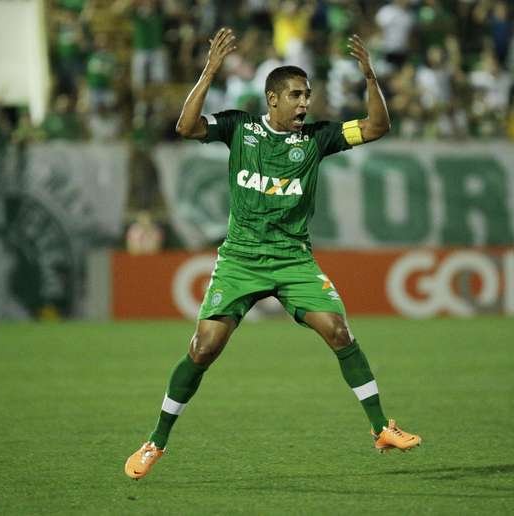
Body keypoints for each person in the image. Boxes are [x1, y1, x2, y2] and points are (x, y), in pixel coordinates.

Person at [125, 28, 421, 480]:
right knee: (204, 348)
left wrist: (370, 78)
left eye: (308, 95)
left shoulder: (319, 138)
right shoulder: (239, 128)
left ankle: (382, 427)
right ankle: (155, 442)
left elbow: (378, 127)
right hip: (241, 258)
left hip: (293, 261)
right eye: (297, 95)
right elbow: (185, 127)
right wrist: (209, 70)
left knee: (339, 332)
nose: (305, 103)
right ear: (273, 99)